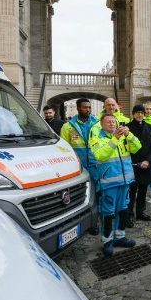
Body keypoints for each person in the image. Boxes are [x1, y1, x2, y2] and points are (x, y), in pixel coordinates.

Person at [89, 113, 141, 256]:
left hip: (125, 181)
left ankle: (120, 237)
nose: (112, 124)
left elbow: (137, 147)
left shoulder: (123, 136)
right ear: (102, 124)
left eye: (113, 121)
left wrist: (129, 135)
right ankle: (107, 241)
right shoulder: (97, 138)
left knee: (123, 209)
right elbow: (100, 155)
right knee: (108, 213)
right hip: (109, 183)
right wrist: (115, 139)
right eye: (108, 122)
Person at [60, 98, 100, 235]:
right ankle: (78, 221)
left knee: (96, 195)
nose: (88, 110)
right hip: (79, 168)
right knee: (80, 195)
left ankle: (94, 222)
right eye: (84, 107)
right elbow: (64, 149)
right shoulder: (67, 127)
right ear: (78, 108)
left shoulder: (97, 124)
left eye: (89, 107)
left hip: (95, 166)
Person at [127, 104, 151, 226]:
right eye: (137, 112)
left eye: (142, 113)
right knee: (131, 191)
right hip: (132, 164)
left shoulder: (149, 127)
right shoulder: (127, 127)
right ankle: (129, 214)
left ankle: (140, 212)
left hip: (146, 164)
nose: (140, 115)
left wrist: (148, 161)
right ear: (133, 114)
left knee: (143, 189)